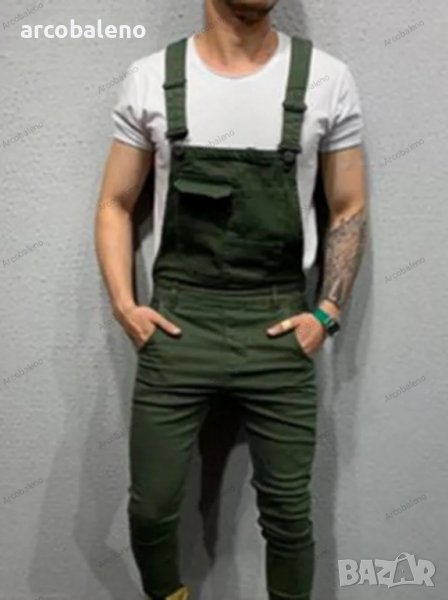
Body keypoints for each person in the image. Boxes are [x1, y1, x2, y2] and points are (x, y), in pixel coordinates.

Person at [94, 1, 367, 598]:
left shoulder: (326, 80)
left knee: (290, 515)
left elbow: (347, 207)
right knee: (150, 508)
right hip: (178, 324)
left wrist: (327, 314)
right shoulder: (151, 78)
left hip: (279, 325)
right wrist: (124, 305)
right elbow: (115, 203)